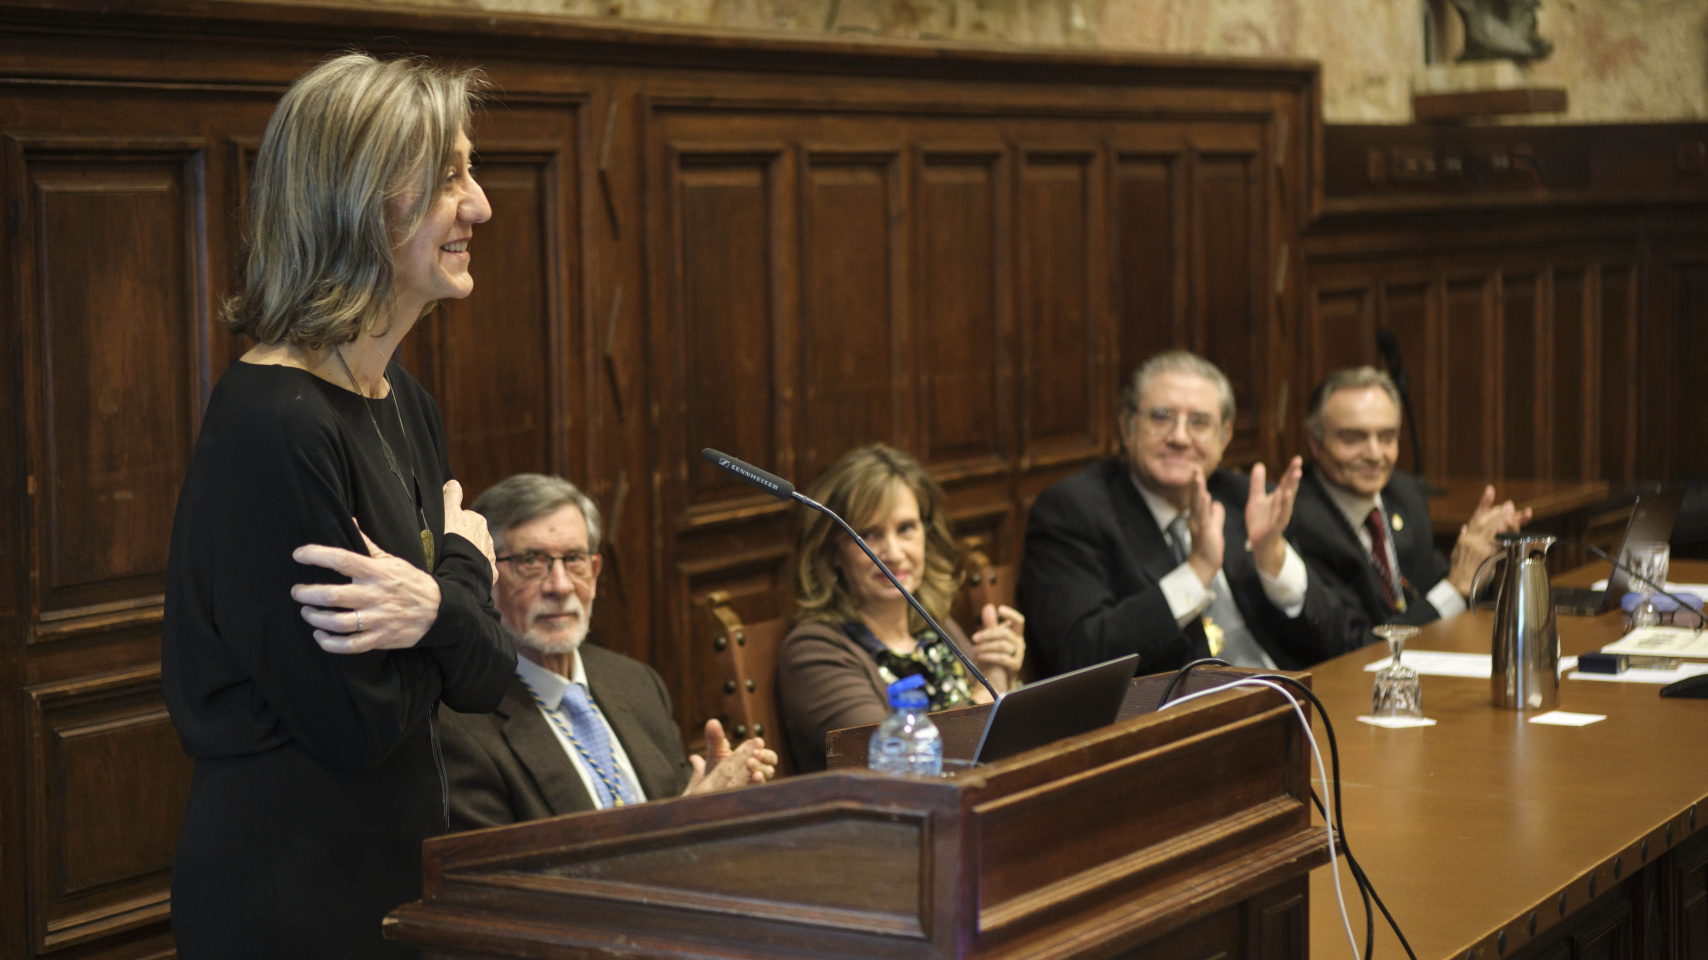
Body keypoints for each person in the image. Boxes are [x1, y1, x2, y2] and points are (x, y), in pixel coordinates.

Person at [161, 53, 516, 959]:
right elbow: (355, 721)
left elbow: (486, 678)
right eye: (449, 177)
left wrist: (433, 604)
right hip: (293, 896)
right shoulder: (272, 428)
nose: (479, 205)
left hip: (394, 877)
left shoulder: (406, 400)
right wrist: (464, 576)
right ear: (361, 200)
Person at [438, 474, 777, 830]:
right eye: (531, 561)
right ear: (487, 574)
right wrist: (685, 817)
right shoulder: (460, 728)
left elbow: (674, 807)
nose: (561, 585)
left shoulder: (636, 682)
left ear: (596, 573)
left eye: (574, 559)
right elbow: (523, 877)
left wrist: (712, 799)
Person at [1019, 350, 1366, 677]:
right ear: (1127, 427)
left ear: (1224, 436)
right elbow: (1079, 656)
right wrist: (1197, 571)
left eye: (1199, 422)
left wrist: (1274, 559)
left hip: (1291, 701)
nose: (1180, 437)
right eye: (1160, 417)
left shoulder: (1247, 501)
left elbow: (1340, 643)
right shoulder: (1073, 511)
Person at [777, 445, 1026, 772]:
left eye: (906, 528)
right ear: (833, 551)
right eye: (868, 535)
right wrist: (990, 692)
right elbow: (898, 764)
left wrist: (1003, 673)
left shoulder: (934, 625)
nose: (892, 553)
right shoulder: (812, 652)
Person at [1290, 366, 1531, 627]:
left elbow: (1435, 588)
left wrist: (1481, 562)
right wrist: (1456, 587)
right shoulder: (1299, 520)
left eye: (1386, 437)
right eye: (1352, 439)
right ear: (1315, 443)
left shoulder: (1404, 493)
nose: (1374, 454)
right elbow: (1355, 641)